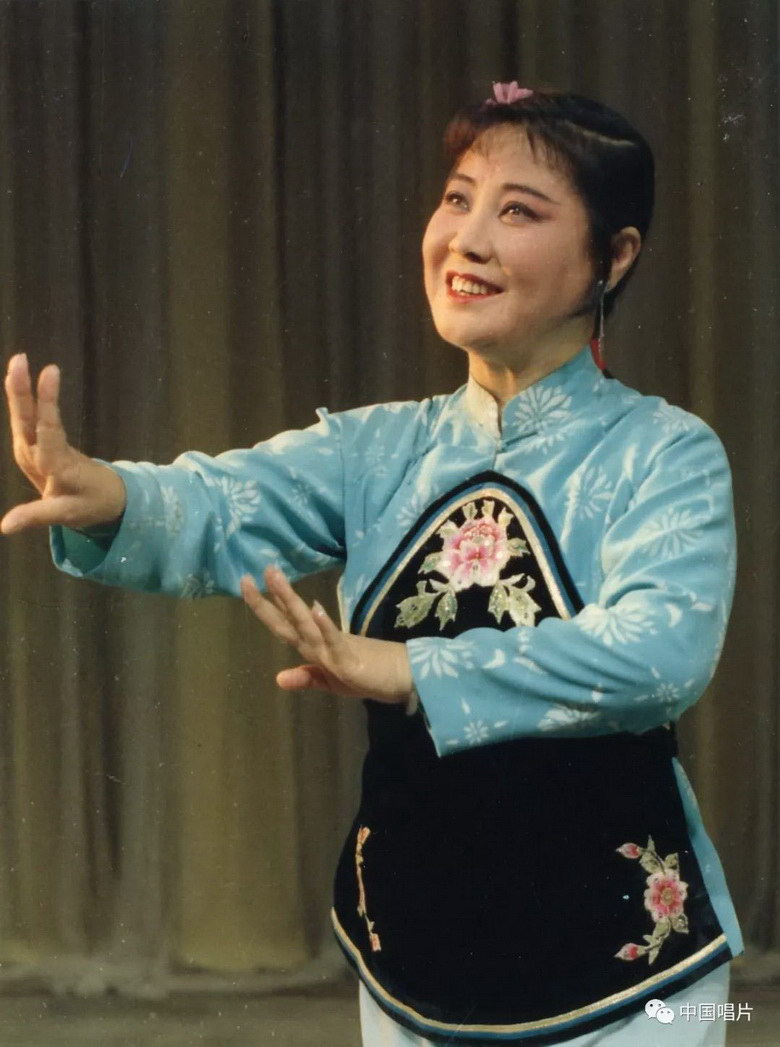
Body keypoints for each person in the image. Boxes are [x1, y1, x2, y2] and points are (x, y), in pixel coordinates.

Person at [2, 83, 741, 1046]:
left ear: (616, 254)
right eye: (457, 198)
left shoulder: (663, 451)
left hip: (628, 973)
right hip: (408, 954)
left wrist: (406, 667)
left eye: (518, 211)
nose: (467, 239)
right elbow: (222, 502)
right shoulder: (379, 449)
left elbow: (659, 650)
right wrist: (109, 493)